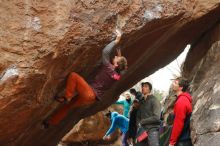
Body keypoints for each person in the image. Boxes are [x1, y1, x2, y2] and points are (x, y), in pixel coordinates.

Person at [42, 29, 128, 128]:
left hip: (89, 93)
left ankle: (67, 96)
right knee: (68, 106)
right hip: (90, 99)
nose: (116, 56)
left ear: (116, 64)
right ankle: (49, 123)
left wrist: (116, 40)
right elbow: (122, 69)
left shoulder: (108, 68)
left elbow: (105, 52)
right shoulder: (117, 76)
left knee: (73, 76)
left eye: (117, 58)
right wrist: (120, 58)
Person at [169, 77, 192, 146]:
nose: (173, 84)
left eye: (175, 83)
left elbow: (178, 123)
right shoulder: (183, 99)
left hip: (183, 141)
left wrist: (172, 142)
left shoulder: (181, 101)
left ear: (181, 87)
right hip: (184, 139)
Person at [136, 82, 161, 146]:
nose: (143, 88)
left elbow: (157, 118)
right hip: (142, 131)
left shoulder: (154, 100)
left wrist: (142, 122)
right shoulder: (141, 102)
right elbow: (138, 115)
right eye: (143, 86)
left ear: (150, 89)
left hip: (152, 130)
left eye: (146, 86)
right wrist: (138, 124)